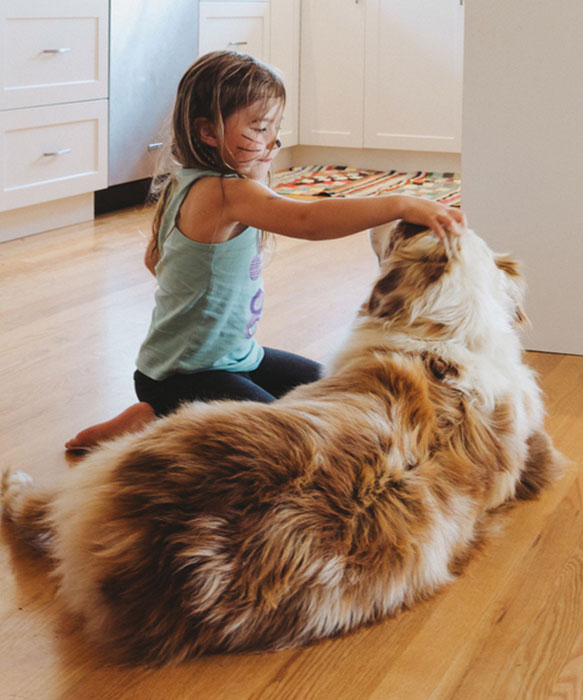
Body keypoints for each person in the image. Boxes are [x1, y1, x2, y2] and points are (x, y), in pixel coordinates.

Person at [65, 50, 466, 451]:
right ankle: (164, 417)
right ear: (208, 132)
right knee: (294, 437)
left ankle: (154, 415)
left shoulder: (187, 183)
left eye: (276, 126)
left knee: (337, 388)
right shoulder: (225, 193)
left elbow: (156, 260)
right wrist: (398, 202)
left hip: (235, 358)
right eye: (259, 128)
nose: (274, 140)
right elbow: (308, 221)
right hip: (185, 374)